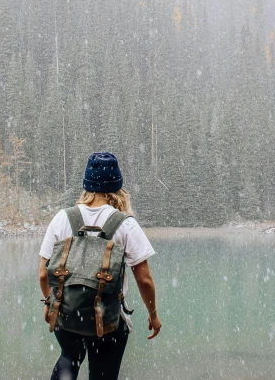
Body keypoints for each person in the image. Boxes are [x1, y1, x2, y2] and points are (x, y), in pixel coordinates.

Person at [39, 152, 162, 380]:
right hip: (108, 321)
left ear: (87, 185)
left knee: (69, 356)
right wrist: (153, 315)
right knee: (102, 374)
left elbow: (43, 274)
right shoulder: (126, 224)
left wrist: (50, 303)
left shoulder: (62, 218)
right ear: (117, 187)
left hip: (67, 314)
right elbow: (144, 280)